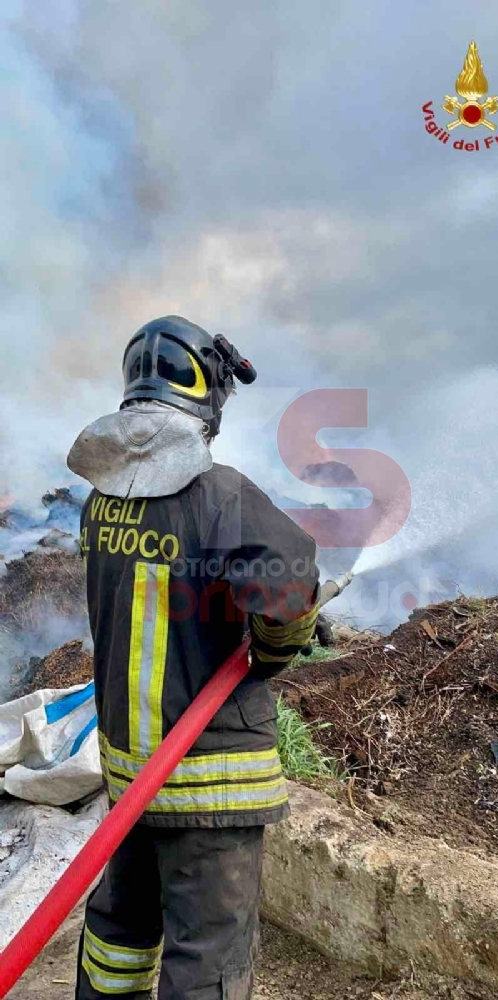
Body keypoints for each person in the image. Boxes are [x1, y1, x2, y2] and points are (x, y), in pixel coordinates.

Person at [67, 315, 321, 1000]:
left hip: (128, 780)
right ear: (206, 400)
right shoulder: (221, 496)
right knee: (207, 962)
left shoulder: (100, 504)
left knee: (119, 935)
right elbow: (289, 593)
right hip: (211, 787)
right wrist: (269, 650)